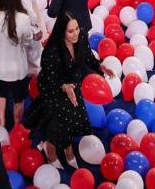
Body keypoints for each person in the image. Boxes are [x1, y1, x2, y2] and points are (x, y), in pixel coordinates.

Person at [33, 12, 115, 167]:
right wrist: (63, 87)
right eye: (70, 31)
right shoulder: (52, 52)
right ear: (62, 32)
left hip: (73, 85)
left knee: (73, 120)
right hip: (54, 88)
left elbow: (88, 57)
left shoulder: (81, 37)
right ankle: (49, 148)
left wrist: (100, 66)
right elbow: (49, 80)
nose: (76, 33)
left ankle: (68, 150)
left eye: (77, 28)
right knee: (59, 123)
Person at [0, 0, 37, 129]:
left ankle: (1, 121)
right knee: (19, 98)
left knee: (0, 93)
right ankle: (16, 124)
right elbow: (27, 40)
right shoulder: (24, 19)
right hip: (17, 66)